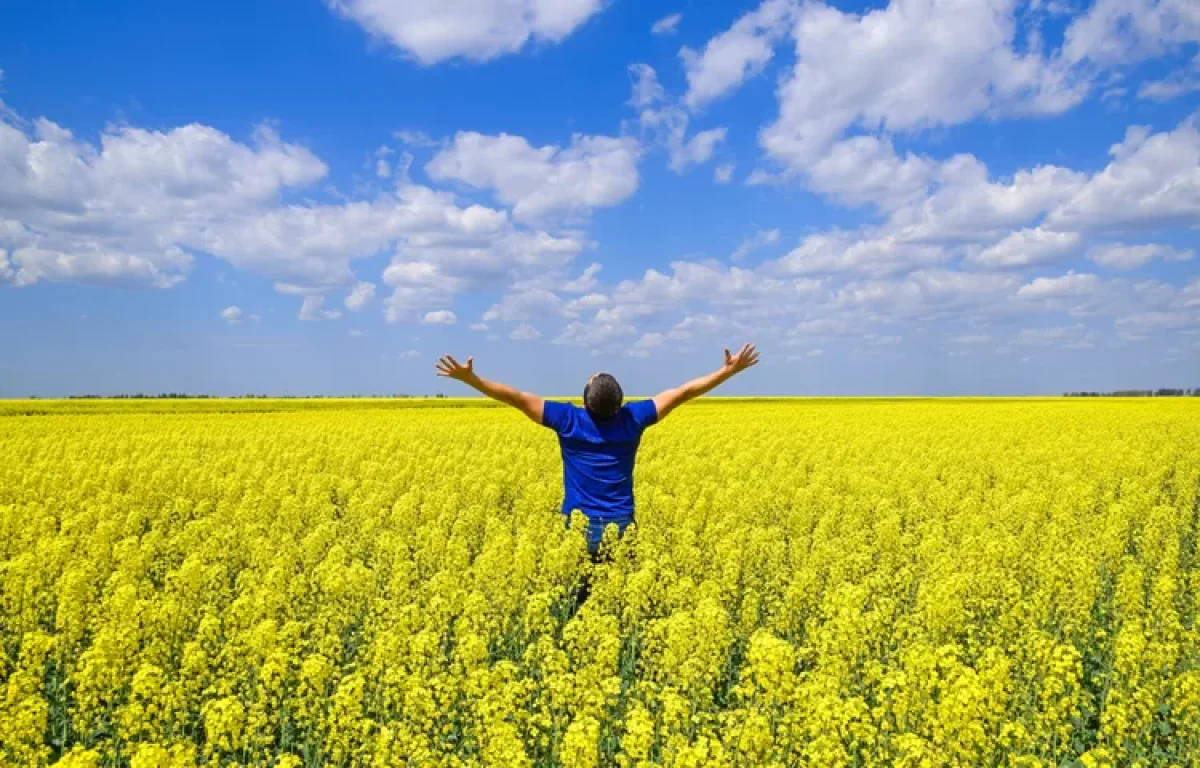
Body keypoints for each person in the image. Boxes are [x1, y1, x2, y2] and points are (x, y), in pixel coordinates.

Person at [434, 343, 761, 561]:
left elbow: (516, 397)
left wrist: (471, 379)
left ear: (584, 399)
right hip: (621, 525)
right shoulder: (633, 419)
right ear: (621, 403)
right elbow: (682, 392)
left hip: (579, 526)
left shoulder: (569, 420)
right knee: (617, 600)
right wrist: (728, 371)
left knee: (576, 600)